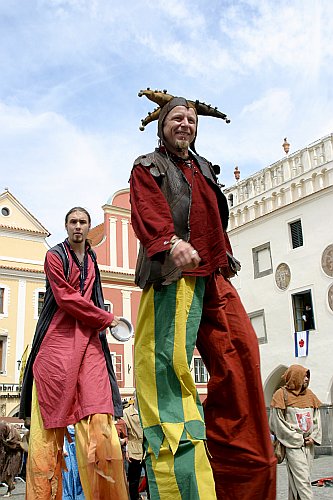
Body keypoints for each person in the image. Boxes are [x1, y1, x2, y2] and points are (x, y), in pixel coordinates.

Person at [129, 89, 276, 500]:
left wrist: (222, 256)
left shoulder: (206, 169)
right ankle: (183, 489)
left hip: (214, 276)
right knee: (168, 378)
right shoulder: (148, 166)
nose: (185, 124)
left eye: (191, 119)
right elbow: (148, 210)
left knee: (243, 357)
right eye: (177, 118)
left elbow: (215, 220)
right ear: (163, 127)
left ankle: (241, 483)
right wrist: (170, 242)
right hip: (174, 275)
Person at [19, 207, 128, 500]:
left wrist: (102, 323)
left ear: (89, 226)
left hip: (88, 339)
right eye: (73, 222)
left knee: (101, 422)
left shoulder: (92, 257)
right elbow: (66, 298)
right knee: (48, 432)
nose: (78, 227)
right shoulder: (54, 256)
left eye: (82, 222)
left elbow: (92, 296)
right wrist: (107, 319)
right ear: (66, 226)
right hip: (58, 339)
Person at [270, 364, 322, 500]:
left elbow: (316, 418)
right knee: (303, 480)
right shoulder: (281, 395)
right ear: (295, 376)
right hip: (293, 445)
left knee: (298, 480)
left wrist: (314, 437)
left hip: (309, 444)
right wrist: (296, 438)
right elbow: (277, 423)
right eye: (304, 375)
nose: (306, 379)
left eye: (307, 376)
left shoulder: (310, 395)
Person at [122, 393, 146, 500]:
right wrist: (126, 449)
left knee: (150, 479)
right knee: (133, 479)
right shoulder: (126, 412)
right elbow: (124, 432)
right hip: (133, 448)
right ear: (134, 398)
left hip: (147, 448)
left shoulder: (147, 412)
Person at [0, 421, 23, 497]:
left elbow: (16, 444)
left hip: (15, 454)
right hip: (8, 453)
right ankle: (10, 488)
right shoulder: (6, 430)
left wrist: (6, 443)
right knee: (5, 472)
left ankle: (9, 490)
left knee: (9, 472)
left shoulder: (13, 434)